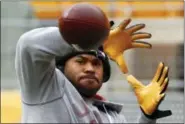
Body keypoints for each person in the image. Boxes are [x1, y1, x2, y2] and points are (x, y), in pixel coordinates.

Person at [15, 18, 171, 123]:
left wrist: (147, 117)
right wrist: (86, 39)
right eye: (80, 61)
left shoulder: (113, 117)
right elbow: (28, 46)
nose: (89, 69)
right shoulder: (45, 87)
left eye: (97, 64)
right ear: (61, 67)